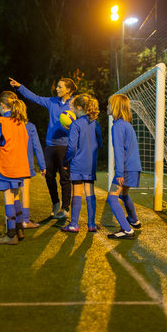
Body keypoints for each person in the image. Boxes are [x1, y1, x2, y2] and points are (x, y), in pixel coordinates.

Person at [9, 77, 77, 220]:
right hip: (50, 144)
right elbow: (35, 98)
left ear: (68, 90)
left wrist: (72, 128)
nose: (57, 89)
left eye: (60, 87)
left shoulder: (75, 105)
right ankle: (56, 203)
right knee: (49, 176)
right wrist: (20, 86)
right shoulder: (52, 101)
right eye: (57, 86)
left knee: (65, 178)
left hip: (65, 145)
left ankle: (65, 208)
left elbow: (81, 123)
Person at [0, 91, 31, 245]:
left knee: (8, 198)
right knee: (15, 196)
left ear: (1, 105)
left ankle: (10, 234)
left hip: (7, 164)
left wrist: (1, 143)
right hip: (20, 165)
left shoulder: (1, 121)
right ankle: (19, 230)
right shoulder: (21, 122)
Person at [60, 94, 102, 233]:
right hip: (90, 165)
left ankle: (74, 224)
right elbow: (100, 143)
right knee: (90, 193)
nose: (73, 111)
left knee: (76, 193)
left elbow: (72, 148)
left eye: (73, 108)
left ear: (79, 107)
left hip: (77, 164)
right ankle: (91, 224)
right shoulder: (96, 124)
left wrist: (65, 161)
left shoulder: (75, 124)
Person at [106, 94, 142, 239]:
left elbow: (120, 151)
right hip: (134, 167)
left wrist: (119, 172)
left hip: (125, 169)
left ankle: (127, 230)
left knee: (112, 198)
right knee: (124, 194)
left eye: (109, 104)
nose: (107, 107)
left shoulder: (118, 127)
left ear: (115, 107)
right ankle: (134, 220)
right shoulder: (127, 125)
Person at [21, 119, 46, 228]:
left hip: (11, 164)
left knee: (13, 194)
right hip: (26, 163)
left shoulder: (7, 123)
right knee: (24, 191)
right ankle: (25, 220)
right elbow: (37, 146)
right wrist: (42, 165)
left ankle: (14, 221)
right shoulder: (30, 126)